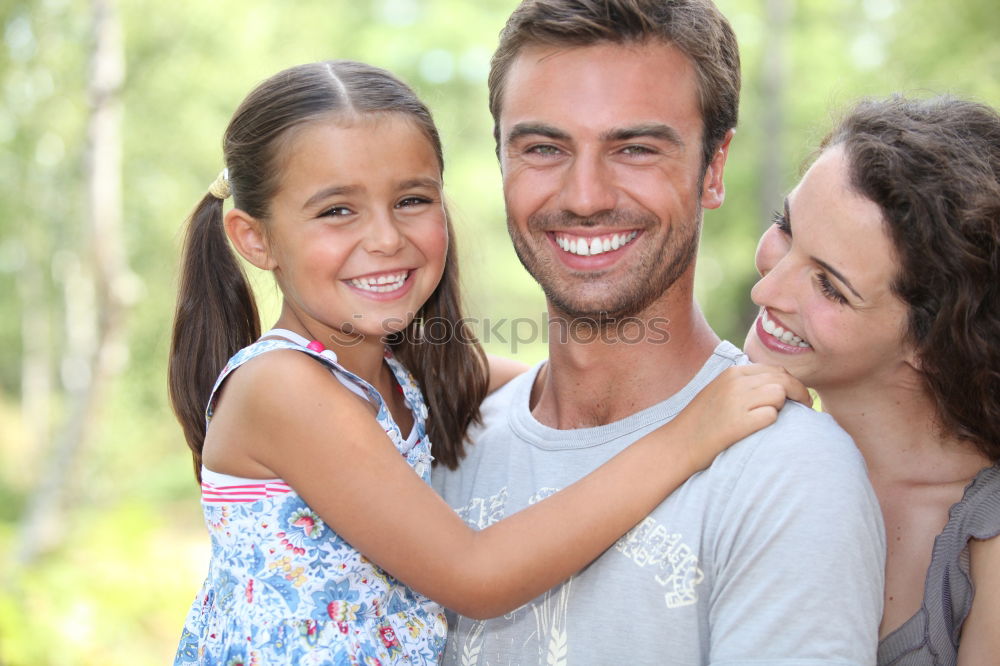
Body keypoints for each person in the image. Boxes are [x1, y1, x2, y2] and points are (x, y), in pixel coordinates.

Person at [168, 60, 808, 665]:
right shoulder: (282, 388)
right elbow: (476, 576)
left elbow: (572, 379)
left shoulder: (402, 373)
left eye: (412, 200)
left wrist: (739, 383)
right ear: (256, 239)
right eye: (337, 211)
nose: (386, 238)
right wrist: (692, 434)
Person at [431, 0, 886, 663]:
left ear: (714, 168)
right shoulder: (446, 448)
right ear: (500, 158)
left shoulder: (784, 469)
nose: (585, 196)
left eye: (636, 148)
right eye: (543, 148)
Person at [745, 94, 1000, 665]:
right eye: (786, 227)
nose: (766, 291)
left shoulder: (984, 540)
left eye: (830, 286)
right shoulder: (739, 430)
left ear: (934, 343)